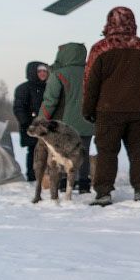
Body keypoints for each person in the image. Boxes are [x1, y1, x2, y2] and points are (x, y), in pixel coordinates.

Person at [82, 6, 140, 206]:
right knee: (139, 152)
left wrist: (88, 109)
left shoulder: (100, 49)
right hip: (139, 110)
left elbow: (90, 83)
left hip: (108, 111)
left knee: (107, 153)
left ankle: (103, 193)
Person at [39, 43, 94, 193]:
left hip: (66, 124)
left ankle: (64, 183)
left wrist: (40, 120)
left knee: (63, 153)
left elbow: (50, 101)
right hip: (88, 121)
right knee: (83, 152)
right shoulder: (91, 72)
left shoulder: (59, 74)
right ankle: (84, 183)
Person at [13, 61, 48, 181]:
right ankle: (32, 176)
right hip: (31, 126)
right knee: (33, 150)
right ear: (33, 72)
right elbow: (19, 108)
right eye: (40, 71)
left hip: (47, 127)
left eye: (45, 71)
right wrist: (27, 124)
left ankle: (45, 176)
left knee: (47, 151)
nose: (43, 73)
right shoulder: (24, 88)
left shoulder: (50, 87)